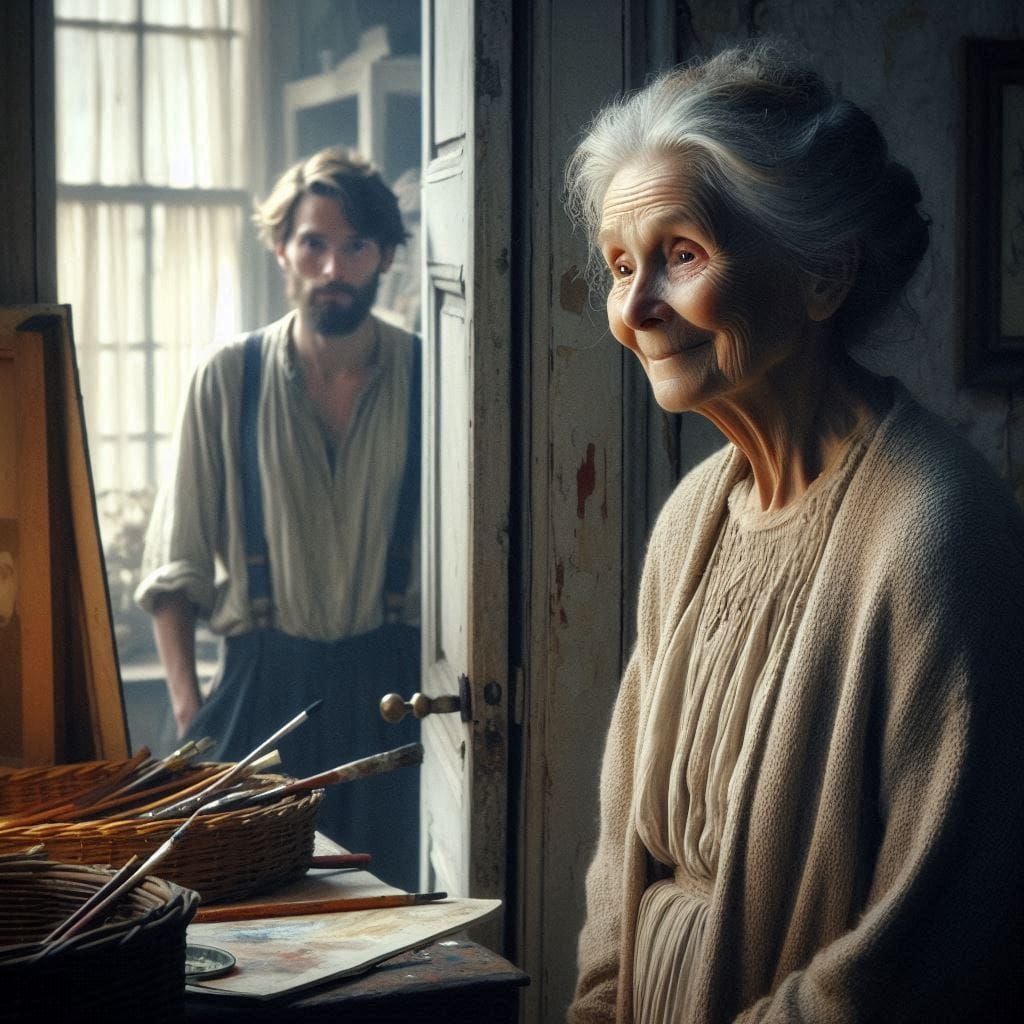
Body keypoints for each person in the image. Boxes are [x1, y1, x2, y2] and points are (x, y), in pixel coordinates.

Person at [564, 42, 1023, 1023]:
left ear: (821, 275)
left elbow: (934, 941)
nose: (635, 309)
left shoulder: (934, 528)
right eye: (617, 266)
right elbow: (619, 865)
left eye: (679, 255)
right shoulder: (692, 515)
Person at [135, 147, 421, 889]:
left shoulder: (430, 374)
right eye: (314, 243)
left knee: (386, 916)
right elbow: (175, 573)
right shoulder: (227, 377)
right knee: (251, 921)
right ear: (281, 250)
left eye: (355, 245)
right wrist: (192, 715)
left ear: (385, 254)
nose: (334, 268)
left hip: (388, 689)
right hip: (260, 691)